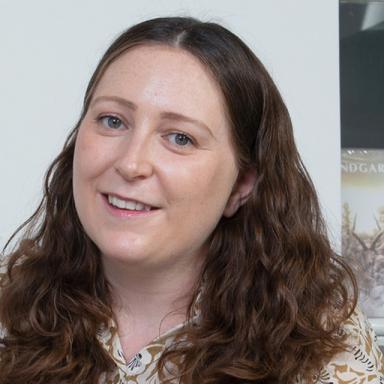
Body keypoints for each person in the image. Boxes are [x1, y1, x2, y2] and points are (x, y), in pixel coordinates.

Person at [0, 16, 382, 384]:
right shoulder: (7, 304)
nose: (131, 163)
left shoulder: (328, 349)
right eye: (113, 120)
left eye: (180, 138)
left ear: (242, 185)